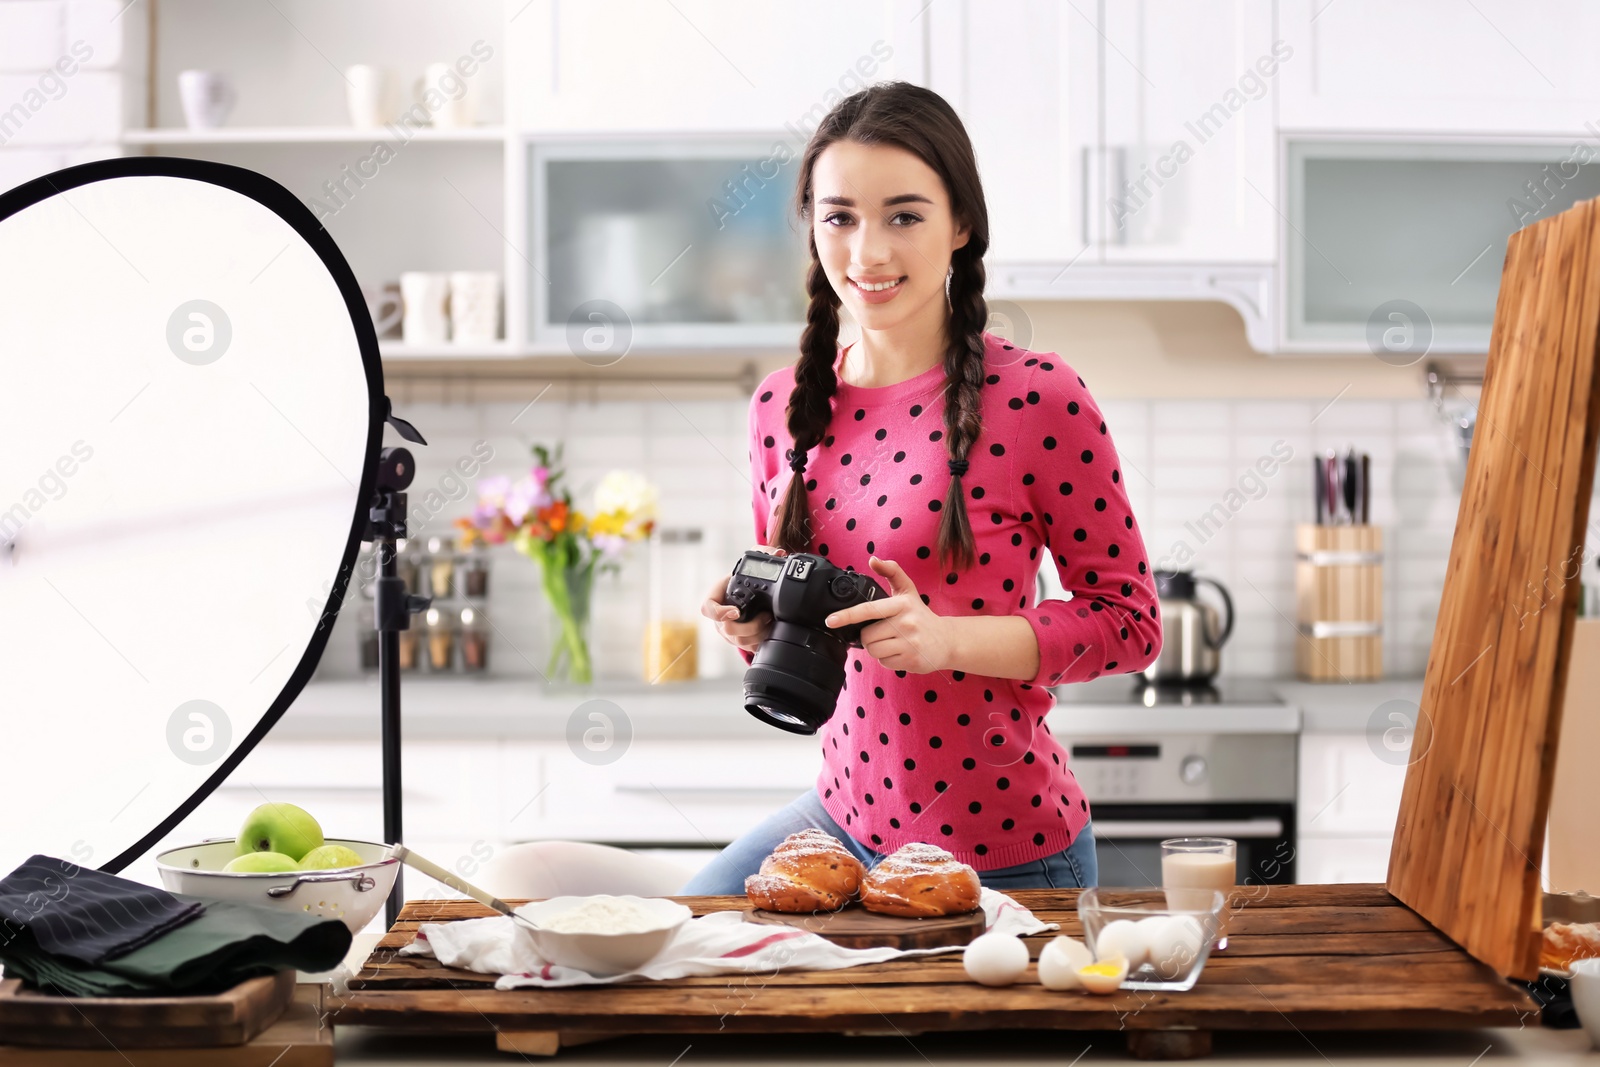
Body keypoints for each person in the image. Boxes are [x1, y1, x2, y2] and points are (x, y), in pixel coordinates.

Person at [678, 81, 1162, 896]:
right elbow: (801, 619)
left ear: (960, 225)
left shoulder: (1039, 398)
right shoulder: (779, 407)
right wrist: (750, 622)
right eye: (840, 217)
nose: (867, 253)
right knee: (679, 944)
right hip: (842, 821)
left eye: (904, 216)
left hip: (1003, 848)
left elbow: (1131, 622)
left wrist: (947, 641)